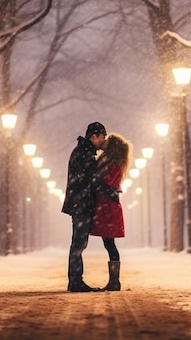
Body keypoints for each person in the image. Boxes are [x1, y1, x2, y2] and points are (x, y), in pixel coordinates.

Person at [61, 122, 108, 292]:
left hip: (80, 202)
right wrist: (108, 189)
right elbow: (90, 179)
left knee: (79, 243)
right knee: (79, 243)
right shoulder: (84, 153)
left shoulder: (83, 151)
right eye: (102, 137)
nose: (103, 141)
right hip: (81, 204)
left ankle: (75, 281)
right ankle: (75, 282)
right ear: (94, 136)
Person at [89, 132, 131, 291]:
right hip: (106, 206)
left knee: (110, 244)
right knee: (109, 244)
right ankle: (114, 281)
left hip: (108, 208)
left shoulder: (113, 164)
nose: (104, 141)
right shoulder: (109, 161)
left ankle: (115, 281)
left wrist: (94, 182)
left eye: (108, 139)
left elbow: (106, 183)